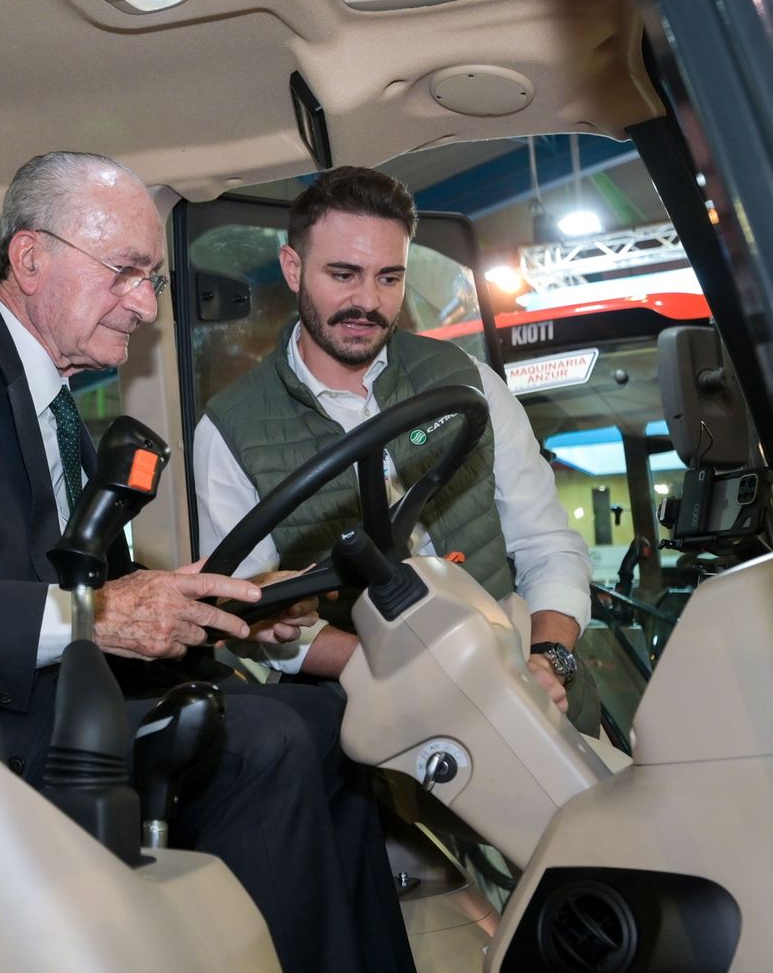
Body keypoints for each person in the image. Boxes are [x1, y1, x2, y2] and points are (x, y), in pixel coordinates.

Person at [0, 151, 422, 973]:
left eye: (153, 277)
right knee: (264, 746)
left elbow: (105, 606)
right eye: (127, 272)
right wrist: (92, 614)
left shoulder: (58, 408)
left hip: (61, 699)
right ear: (30, 259)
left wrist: (218, 613)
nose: (145, 302)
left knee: (328, 721)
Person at [193, 165, 598, 732]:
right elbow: (259, 619)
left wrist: (549, 658)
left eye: (389, 278)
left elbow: (547, 545)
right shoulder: (229, 428)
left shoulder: (467, 380)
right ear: (293, 268)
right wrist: (412, 673)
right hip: (368, 710)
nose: (368, 301)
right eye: (343, 274)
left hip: (524, 680)